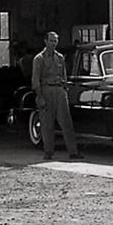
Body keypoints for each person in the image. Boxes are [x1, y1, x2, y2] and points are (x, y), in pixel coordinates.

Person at [30, 31, 81, 160]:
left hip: (59, 90)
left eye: (55, 41)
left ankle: (73, 151)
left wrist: (65, 90)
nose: (54, 43)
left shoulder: (60, 57)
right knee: (47, 123)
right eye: (51, 40)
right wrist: (39, 96)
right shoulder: (39, 59)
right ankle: (48, 151)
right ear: (45, 41)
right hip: (46, 90)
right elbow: (35, 79)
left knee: (66, 122)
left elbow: (64, 75)